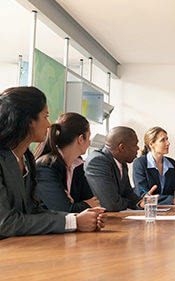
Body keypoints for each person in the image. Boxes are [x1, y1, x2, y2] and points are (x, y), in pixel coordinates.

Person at [0, 86, 106, 239]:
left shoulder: (27, 159)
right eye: (45, 116)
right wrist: (73, 222)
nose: (49, 125)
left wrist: (79, 218)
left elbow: (34, 210)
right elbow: (5, 223)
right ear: (29, 120)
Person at [34, 112, 100, 213]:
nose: (89, 142)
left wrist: (76, 205)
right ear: (81, 139)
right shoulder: (47, 166)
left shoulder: (77, 164)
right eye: (89, 136)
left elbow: (94, 203)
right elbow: (63, 210)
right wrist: (85, 204)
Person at [85, 126, 155, 211]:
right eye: (135, 145)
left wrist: (141, 202)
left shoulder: (121, 162)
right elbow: (111, 204)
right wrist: (127, 202)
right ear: (122, 148)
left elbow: (128, 194)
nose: (138, 148)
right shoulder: (97, 161)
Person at [133, 126, 175, 205]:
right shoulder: (140, 163)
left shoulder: (171, 163)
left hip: (168, 210)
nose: (168, 143)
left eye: (167, 139)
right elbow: (142, 194)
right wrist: (172, 200)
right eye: (162, 140)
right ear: (151, 144)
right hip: (147, 211)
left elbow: (173, 193)